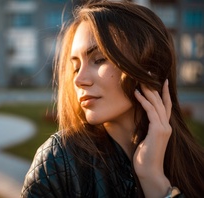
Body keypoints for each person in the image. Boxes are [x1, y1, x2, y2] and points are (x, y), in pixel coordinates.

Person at [21, 1, 204, 197]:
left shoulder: (194, 166)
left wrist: (153, 178)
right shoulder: (58, 162)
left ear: (149, 66)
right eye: (75, 67)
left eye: (99, 59)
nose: (79, 80)